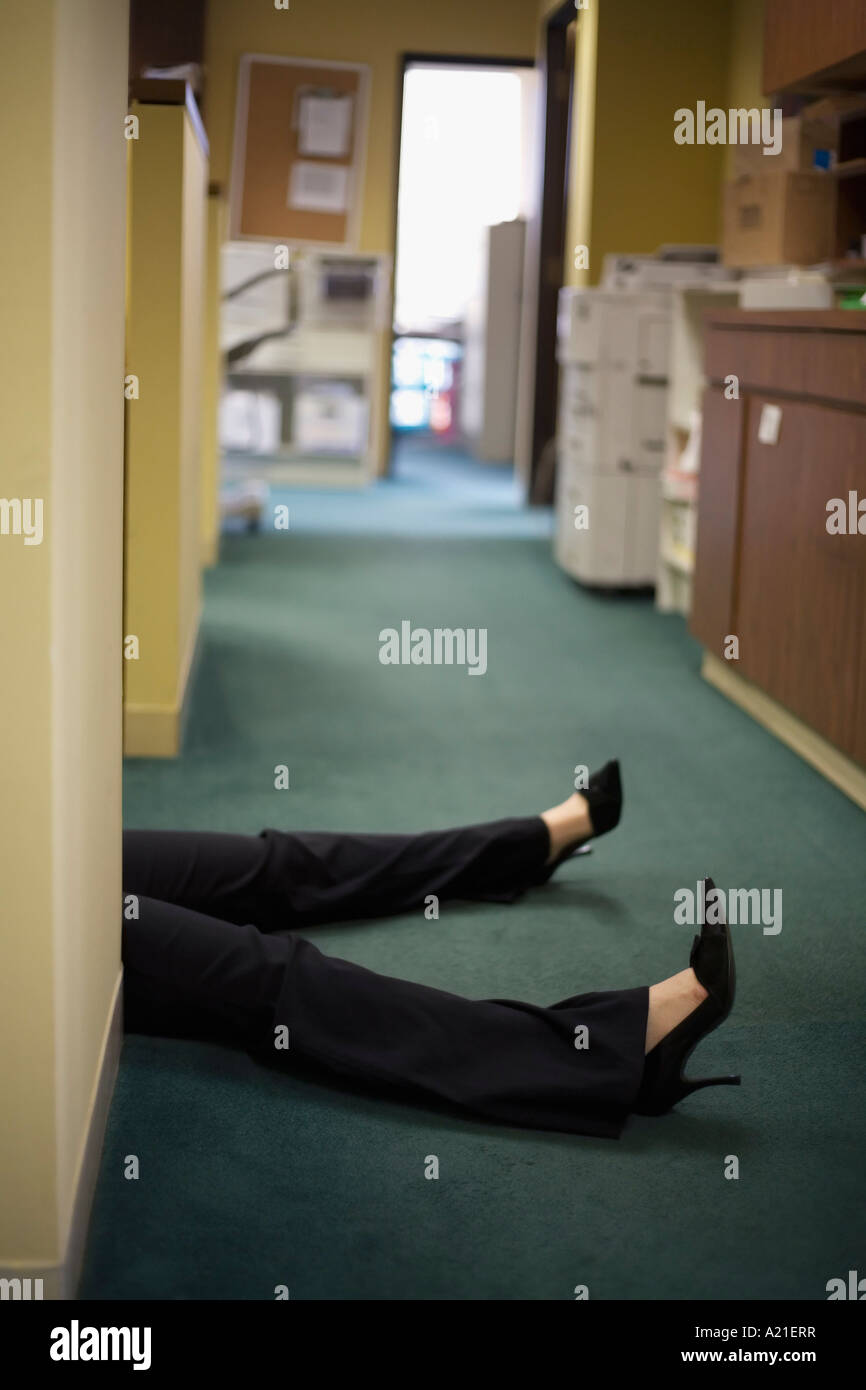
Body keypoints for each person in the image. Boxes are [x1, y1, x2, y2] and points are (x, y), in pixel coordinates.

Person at [121, 761, 739, 1139]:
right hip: (48, 922)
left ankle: (533, 843)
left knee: (280, 864)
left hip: (64, 861)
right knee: (274, 973)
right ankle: (619, 1050)